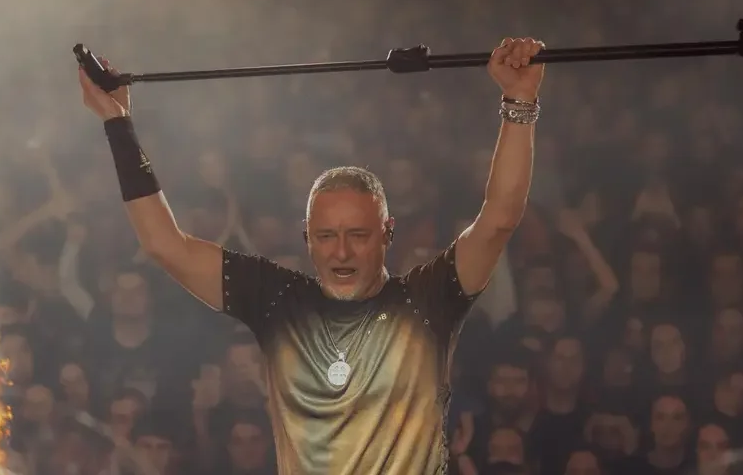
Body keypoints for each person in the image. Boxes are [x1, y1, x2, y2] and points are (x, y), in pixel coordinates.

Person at [76, 37, 546, 474]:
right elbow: (165, 245)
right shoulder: (278, 300)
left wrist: (519, 101)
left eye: (358, 235)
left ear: (388, 233)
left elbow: (499, 217)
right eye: (325, 236)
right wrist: (117, 123)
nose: (341, 251)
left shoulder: (427, 299)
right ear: (306, 237)